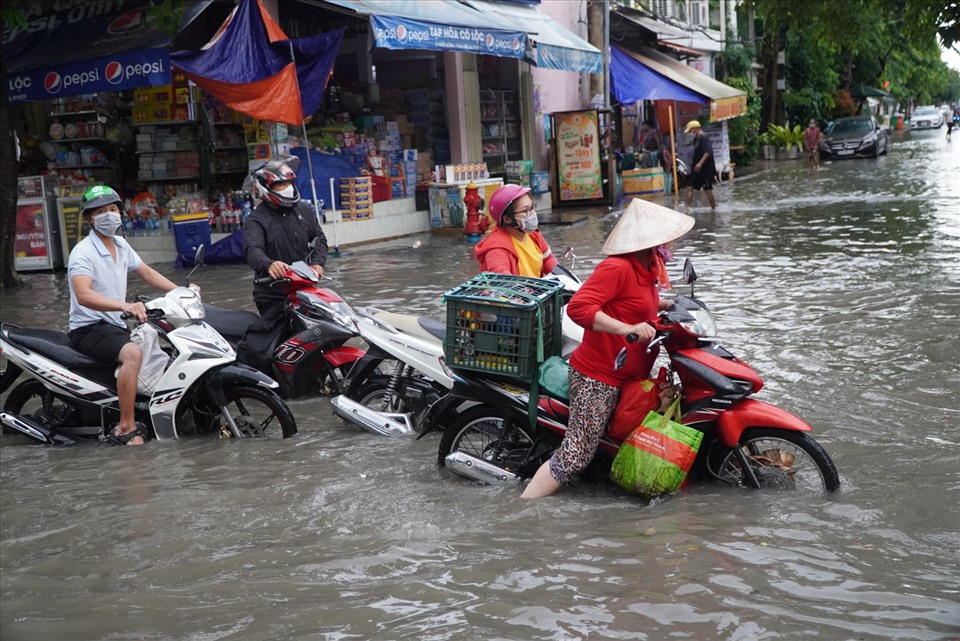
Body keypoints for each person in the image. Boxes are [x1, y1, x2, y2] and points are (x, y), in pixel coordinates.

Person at [521, 198, 695, 499]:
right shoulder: (618, 267)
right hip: (597, 378)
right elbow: (578, 307)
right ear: (651, 241)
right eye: (667, 239)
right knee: (577, 454)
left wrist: (674, 305)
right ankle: (525, 507)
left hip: (627, 373)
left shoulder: (650, 266)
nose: (671, 244)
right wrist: (625, 329)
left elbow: (637, 305)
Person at [67, 185, 182, 446]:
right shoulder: (83, 253)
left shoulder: (121, 245)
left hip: (112, 323)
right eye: (101, 211)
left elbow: (147, 274)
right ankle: (126, 425)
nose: (109, 215)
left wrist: (182, 291)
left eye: (112, 209)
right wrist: (124, 305)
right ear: (89, 219)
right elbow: (83, 294)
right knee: (133, 354)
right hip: (88, 328)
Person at [241, 155, 329, 366]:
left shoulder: (304, 211)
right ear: (265, 188)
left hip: (304, 289)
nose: (287, 188)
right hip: (273, 294)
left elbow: (320, 241)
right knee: (277, 346)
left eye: (289, 183)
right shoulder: (256, 220)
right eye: (281, 184)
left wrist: (318, 263)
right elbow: (252, 250)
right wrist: (269, 264)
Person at [474, 184, 557, 278]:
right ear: (507, 219)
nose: (532, 214)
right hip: (515, 291)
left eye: (532, 208)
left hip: (538, 290)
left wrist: (561, 276)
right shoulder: (496, 248)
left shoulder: (534, 235)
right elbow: (503, 277)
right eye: (525, 210)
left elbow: (549, 260)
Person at [683, 120, 717, 210]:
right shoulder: (697, 139)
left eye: (691, 131)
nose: (691, 133)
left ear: (695, 129)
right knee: (689, 187)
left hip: (704, 169)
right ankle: (687, 207)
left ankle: (714, 208)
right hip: (697, 170)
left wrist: (700, 164)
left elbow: (707, 152)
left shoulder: (704, 138)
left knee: (708, 189)